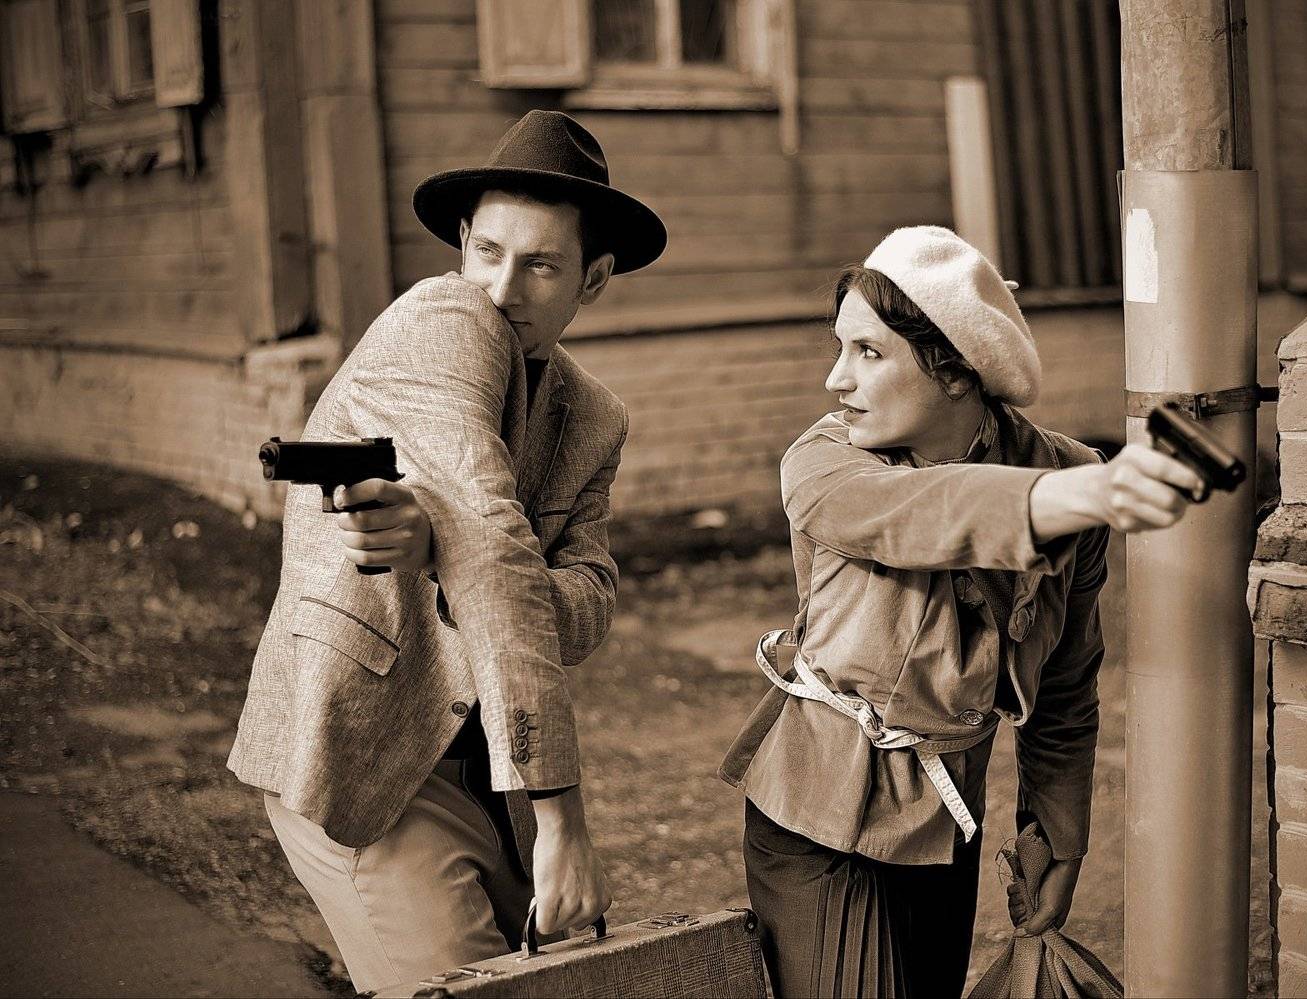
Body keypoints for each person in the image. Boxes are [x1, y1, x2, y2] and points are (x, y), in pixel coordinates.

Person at [227, 110, 667, 993]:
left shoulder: (593, 418)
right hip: (368, 757)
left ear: (594, 279)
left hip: (488, 770)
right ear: (462, 245)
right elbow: (496, 547)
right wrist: (565, 819)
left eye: (541, 265)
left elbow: (588, 606)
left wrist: (448, 547)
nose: (502, 288)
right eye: (488, 251)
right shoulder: (446, 318)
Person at [719, 226, 1204, 998]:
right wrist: (1078, 496)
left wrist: (1055, 833)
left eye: (868, 352)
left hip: (946, 823)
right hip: (817, 818)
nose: (836, 379)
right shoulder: (824, 461)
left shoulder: (1063, 472)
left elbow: (1064, 686)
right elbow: (917, 513)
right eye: (840, 348)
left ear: (954, 369)